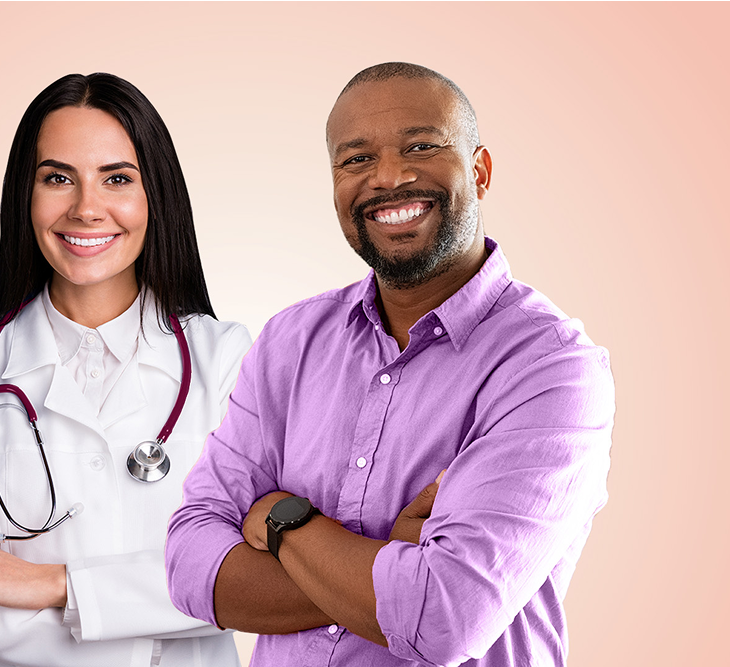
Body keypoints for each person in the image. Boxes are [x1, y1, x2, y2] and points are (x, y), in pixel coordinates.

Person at [165, 62, 615, 667]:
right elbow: (191, 566)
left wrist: (283, 520)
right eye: (355, 160)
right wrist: (385, 562)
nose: (389, 178)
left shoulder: (552, 369)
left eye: (421, 147)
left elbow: (445, 618)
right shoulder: (291, 341)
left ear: (479, 171)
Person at [0, 73, 249, 667]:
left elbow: (247, 580)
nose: (86, 208)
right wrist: (151, 620)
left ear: (156, 196)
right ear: (26, 194)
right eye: (58, 178)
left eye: (117, 178)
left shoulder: (226, 360)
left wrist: (57, 584)